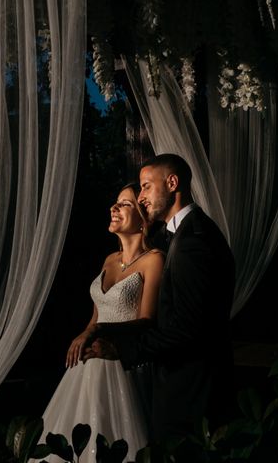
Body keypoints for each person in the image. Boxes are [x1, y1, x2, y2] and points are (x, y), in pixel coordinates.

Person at [84, 154, 235, 444]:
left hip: (191, 394)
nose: (141, 197)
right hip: (179, 388)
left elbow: (187, 329)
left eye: (146, 187)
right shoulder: (178, 237)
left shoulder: (195, 242)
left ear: (172, 183)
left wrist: (122, 350)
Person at [36, 183, 164, 462]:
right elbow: (97, 315)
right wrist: (84, 337)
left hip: (124, 362)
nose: (114, 208)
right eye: (115, 202)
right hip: (89, 364)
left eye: (125, 204)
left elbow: (147, 320)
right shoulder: (109, 260)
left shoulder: (154, 260)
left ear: (143, 221)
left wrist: (97, 330)